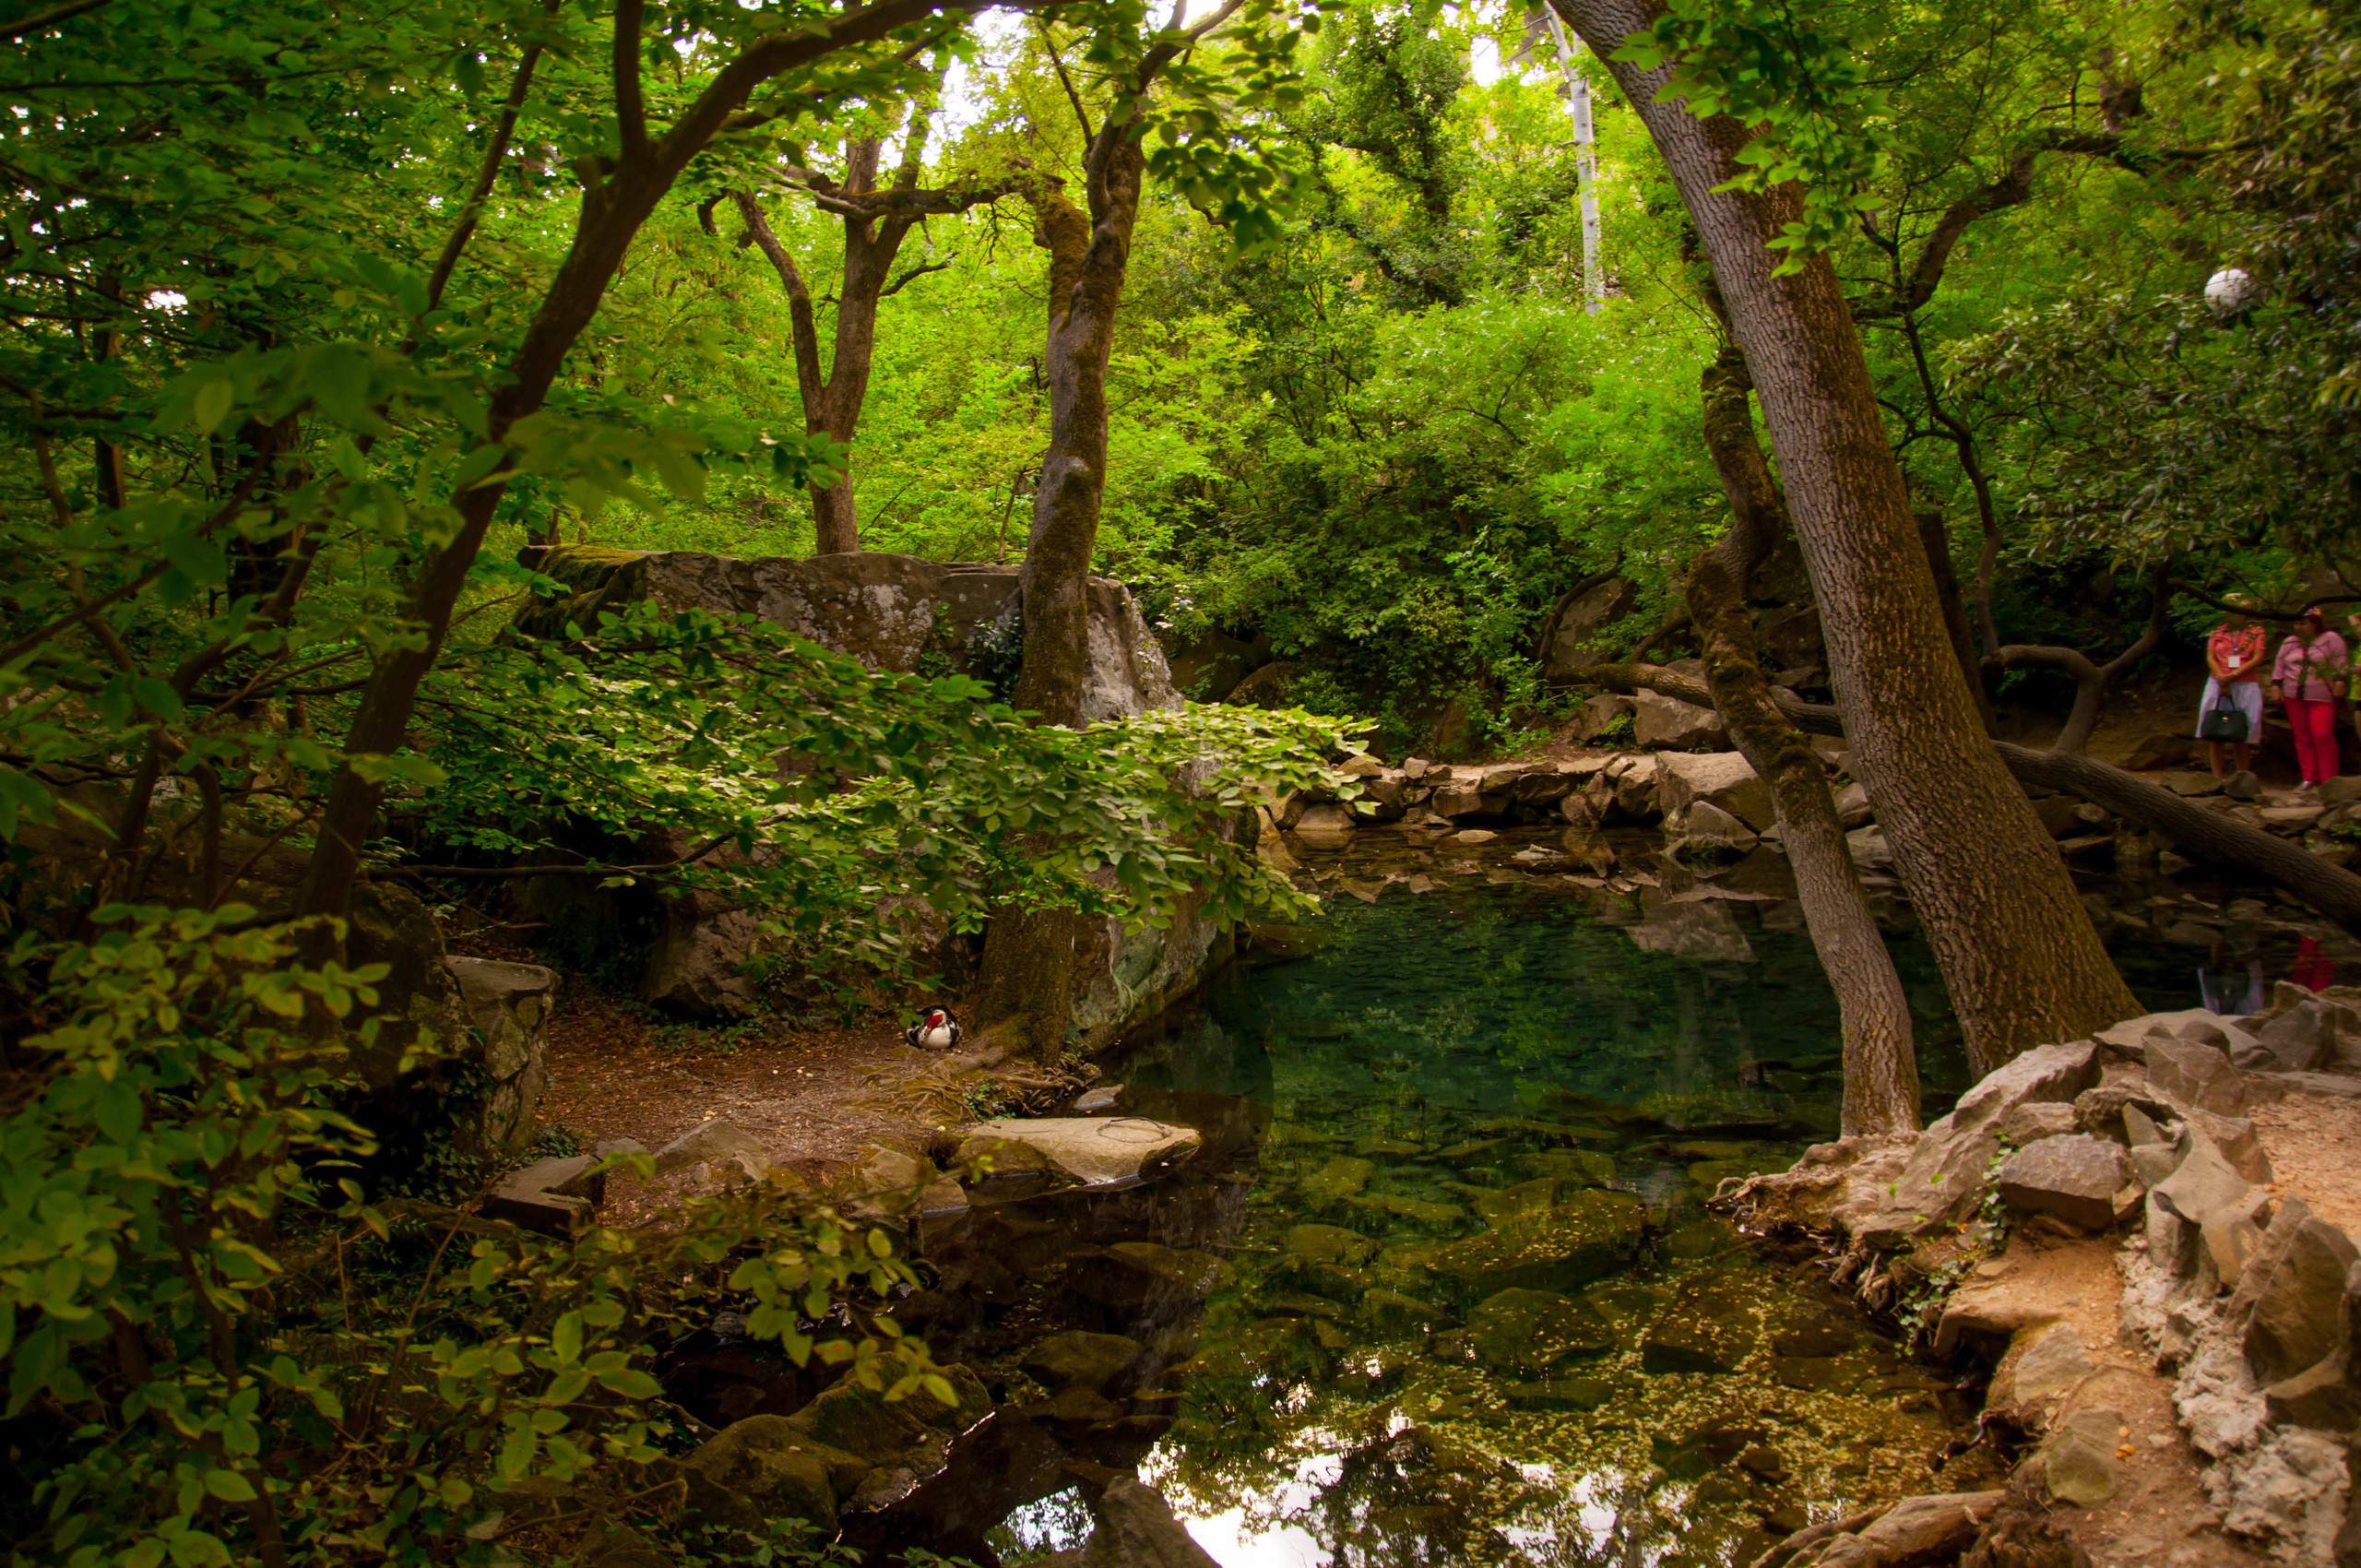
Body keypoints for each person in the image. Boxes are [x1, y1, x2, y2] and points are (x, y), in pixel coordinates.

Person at [2270, 605, 2349, 790]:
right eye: (2296, 623)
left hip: (2321, 698)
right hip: (2293, 697)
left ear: (2314, 623)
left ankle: (2329, 780)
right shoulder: (2290, 642)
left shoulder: (2331, 639)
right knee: (2302, 737)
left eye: (2302, 623)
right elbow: (2279, 664)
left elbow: (2341, 662)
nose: (2298, 627)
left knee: (2322, 736)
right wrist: (2276, 686)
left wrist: (2340, 682)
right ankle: (2309, 777)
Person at [2198, 605, 2266, 778]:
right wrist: (2222, 677)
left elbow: (2257, 657)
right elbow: (2210, 657)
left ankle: (2242, 776)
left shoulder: (2256, 632)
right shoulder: (2217, 632)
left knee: (2242, 731)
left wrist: (2233, 675)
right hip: (2218, 683)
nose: (2228, 613)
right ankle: (2217, 777)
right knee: (2215, 729)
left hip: (2245, 684)